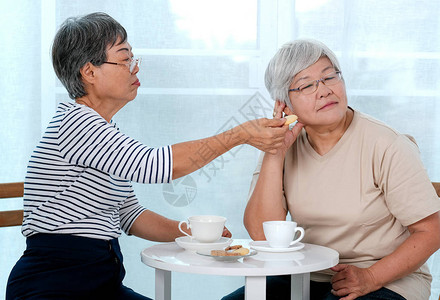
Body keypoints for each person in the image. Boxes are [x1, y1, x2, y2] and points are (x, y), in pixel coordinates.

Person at [5, 12, 291, 300]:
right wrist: (239, 135)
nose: (135, 68)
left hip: (100, 285)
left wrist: (190, 232)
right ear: (89, 72)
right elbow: (153, 166)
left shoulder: (103, 130)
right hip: (53, 285)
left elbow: (130, 214)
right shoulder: (77, 125)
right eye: (125, 59)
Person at [223, 39, 440, 300]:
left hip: (385, 278)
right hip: (307, 273)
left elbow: (431, 230)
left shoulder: (387, 144)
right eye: (306, 85)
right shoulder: (282, 145)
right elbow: (261, 234)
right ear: (284, 104)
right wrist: (275, 154)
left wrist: (370, 277)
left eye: (329, 77)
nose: (324, 90)